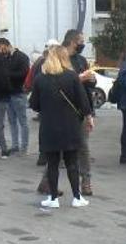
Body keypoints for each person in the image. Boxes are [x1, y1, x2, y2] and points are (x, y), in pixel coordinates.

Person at [29, 45, 93, 208]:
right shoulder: (72, 77)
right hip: (70, 125)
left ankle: (53, 198)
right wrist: (89, 117)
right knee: (72, 162)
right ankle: (77, 197)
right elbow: (83, 101)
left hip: (49, 126)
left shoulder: (40, 79)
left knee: (52, 164)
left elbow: (34, 105)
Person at [62, 29, 96, 196]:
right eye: (81, 41)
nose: (83, 44)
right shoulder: (59, 58)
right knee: (60, 146)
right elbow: (57, 82)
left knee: (83, 146)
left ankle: (86, 181)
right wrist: (78, 79)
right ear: (72, 42)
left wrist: (91, 79)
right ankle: (46, 180)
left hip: (81, 109)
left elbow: (88, 86)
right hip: (63, 108)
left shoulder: (81, 60)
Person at [5, 44, 31, 155]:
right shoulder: (7, 57)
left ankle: (23, 147)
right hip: (9, 93)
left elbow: (24, 73)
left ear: (8, 46)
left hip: (19, 92)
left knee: (22, 121)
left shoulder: (22, 57)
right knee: (12, 121)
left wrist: (8, 74)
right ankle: (15, 145)